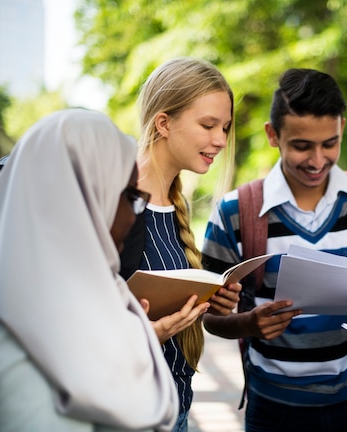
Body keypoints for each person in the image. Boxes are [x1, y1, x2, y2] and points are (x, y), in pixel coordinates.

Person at [201, 68, 347, 432]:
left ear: (342, 127)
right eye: (301, 146)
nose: (316, 161)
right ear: (273, 135)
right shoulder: (234, 213)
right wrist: (248, 323)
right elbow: (208, 315)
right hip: (272, 409)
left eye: (330, 143)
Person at [0, 109, 179, 431]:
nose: (133, 217)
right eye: (132, 196)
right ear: (84, 198)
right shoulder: (14, 332)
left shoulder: (76, 289)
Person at [119, 56, 241, 432]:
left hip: (177, 409)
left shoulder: (176, 205)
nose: (220, 140)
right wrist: (146, 335)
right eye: (208, 125)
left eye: (225, 127)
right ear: (164, 122)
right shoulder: (113, 202)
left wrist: (208, 301)